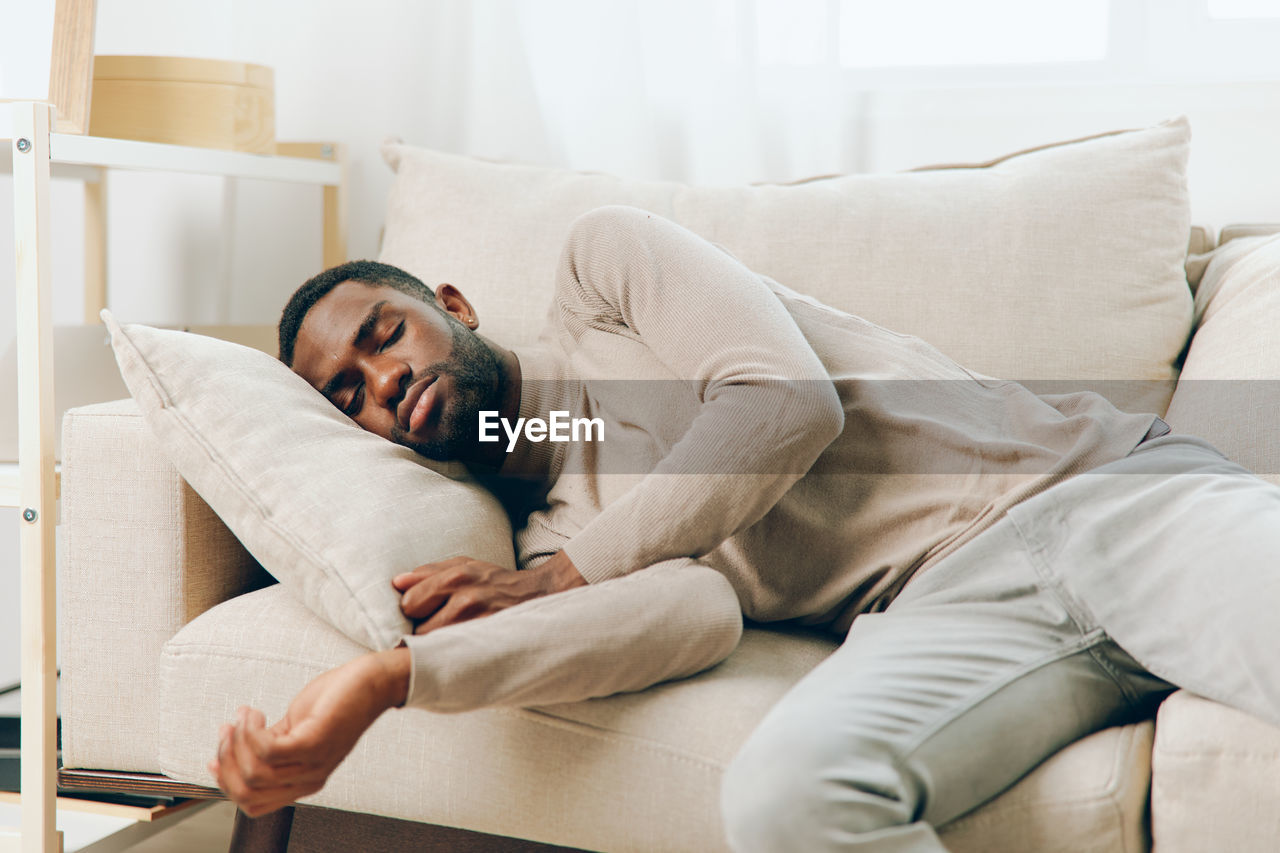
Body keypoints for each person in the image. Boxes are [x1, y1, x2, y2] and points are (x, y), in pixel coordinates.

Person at [210, 206, 1280, 852]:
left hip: (1106, 498)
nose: (385, 381)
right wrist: (383, 681)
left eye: (385, 335)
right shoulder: (545, 537)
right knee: (787, 796)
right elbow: (691, 610)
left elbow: (782, 404)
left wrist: (569, 574)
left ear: (454, 303)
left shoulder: (604, 274)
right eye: (347, 394)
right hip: (944, 608)